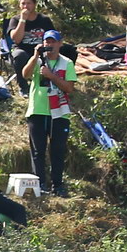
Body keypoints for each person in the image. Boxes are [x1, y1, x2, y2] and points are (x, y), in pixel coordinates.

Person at [22, 33, 77, 195]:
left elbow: (69, 88)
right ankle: (40, 184)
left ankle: (57, 185)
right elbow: (25, 75)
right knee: (38, 150)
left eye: (53, 42)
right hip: (37, 111)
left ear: (60, 44)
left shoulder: (66, 63)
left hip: (59, 112)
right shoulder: (37, 61)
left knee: (58, 150)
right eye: (47, 41)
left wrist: (51, 76)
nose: (50, 45)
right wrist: (35, 56)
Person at [1, 0, 57, 92]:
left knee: (69, 49)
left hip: (42, 49)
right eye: (23, 3)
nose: (25, 6)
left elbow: (53, 38)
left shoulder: (44, 20)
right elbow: (16, 39)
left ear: (34, 4)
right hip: (23, 49)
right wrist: (23, 20)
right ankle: (23, 87)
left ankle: (61, 81)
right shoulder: (15, 20)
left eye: (29, 3)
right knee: (19, 55)